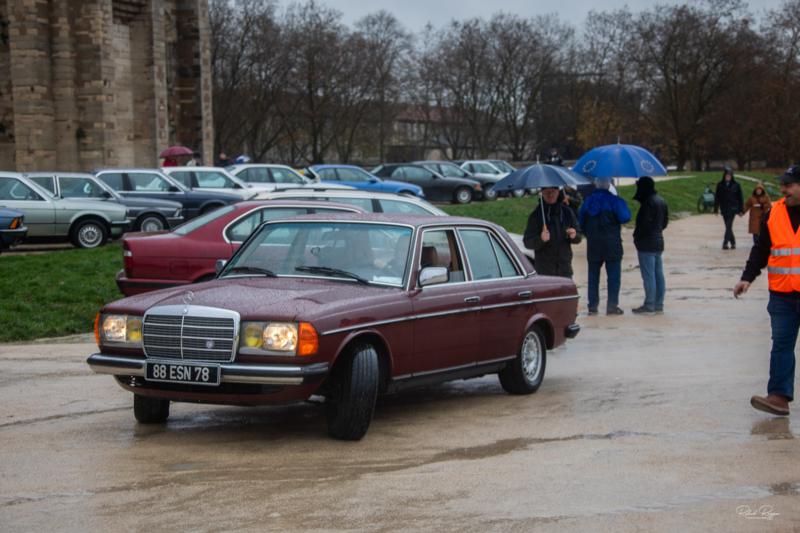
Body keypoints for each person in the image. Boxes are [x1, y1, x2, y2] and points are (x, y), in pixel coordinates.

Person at [733, 164, 800, 416]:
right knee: (781, 346)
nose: (783, 189)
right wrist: (747, 278)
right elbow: (761, 250)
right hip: (782, 296)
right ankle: (778, 397)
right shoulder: (774, 213)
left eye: (789, 185)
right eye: (782, 184)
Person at [579, 177, 632, 315]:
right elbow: (626, 217)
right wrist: (621, 202)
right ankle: (612, 306)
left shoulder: (587, 201)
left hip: (593, 245)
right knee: (613, 277)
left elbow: (581, 222)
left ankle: (592, 307)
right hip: (612, 244)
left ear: (596, 184)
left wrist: (589, 234)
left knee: (593, 277)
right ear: (609, 185)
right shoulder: (615, 201)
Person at [523, 187, 581, 278]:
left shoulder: (567, 212)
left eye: (553, 191)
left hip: (565, 269)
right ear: (542, 193)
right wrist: (541, 239)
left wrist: (574, 236)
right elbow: (527, 242)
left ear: (558, 191)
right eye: (547, 192)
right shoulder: (536, 216)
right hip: (544, 272)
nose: (550, 194)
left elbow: (578, 236)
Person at [632, 176, 669, 314]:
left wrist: (636, 236)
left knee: (649, 276)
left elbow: (644, 225)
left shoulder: (648, 203)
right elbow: (665, 222)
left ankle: (649, 305)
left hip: (646, 243)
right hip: (658, 241)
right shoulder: (661, 201)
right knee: (658, 275)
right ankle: (658, 303)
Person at [714, 166, 744, 249]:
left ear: (731, 176)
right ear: (724, 176)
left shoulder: (736, 185)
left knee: (728, 225)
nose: (728, 177)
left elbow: (740, 198)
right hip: (724, 208)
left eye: (729, 175)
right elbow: (717, 198)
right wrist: (716, 209)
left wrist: (741, 210)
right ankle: (733, 242)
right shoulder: (720, 185)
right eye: (727, 175)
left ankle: (725, 243)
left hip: (733, 208)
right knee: (728, 227)